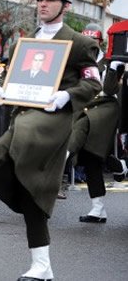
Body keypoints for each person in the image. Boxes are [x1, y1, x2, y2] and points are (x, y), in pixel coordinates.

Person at [0, 0, 101, 281]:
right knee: (34, 195)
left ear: (65, 6)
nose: (42, 4)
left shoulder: (81, 43)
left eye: (50, 0)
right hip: (24, 118)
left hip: (53, 122)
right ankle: (42, 267)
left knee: (20, 135)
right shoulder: (23, 43)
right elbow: (14, 77)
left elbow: (93, 83)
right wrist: (1, 89)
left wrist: (67, 95)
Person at [69, 23, 127, 223]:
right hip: (86, 107)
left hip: (104, 107)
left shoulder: (110, 61)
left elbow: (110, 90)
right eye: (85, 39)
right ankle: (98, 208)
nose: (88, 43)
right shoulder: (77, 61)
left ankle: (63, 155)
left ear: (100, 42)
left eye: (93, 40)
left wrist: (113, 68)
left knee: (80, 131)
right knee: (91, 158)